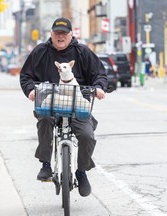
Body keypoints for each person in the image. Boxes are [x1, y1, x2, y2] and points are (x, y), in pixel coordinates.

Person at [20, 17, 108, 197]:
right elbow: (26, 76)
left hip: (77, 106)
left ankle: (81, 172)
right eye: (57, 33)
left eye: (64, 33)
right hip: (49, 106)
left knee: (87, 135)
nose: (60, 37)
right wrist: (31, 90)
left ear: (71, 34)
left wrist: (99, 88)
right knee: (44, 120)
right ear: (51, 34)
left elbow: (99, 73)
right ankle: (45, 164)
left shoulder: (82, 52)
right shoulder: (40, 52)